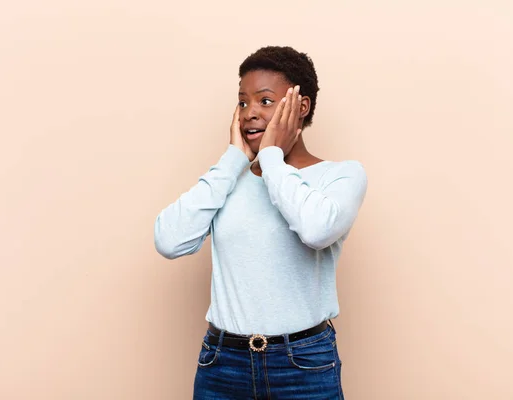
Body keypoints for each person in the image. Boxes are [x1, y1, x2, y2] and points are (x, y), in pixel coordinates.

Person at [154, 46, 367, 399]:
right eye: (242, 102)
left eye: (265, 101)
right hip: (222, 364)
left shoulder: (341, 176)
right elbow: (169, 240)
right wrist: (232, 159)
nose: (249, 113)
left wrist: (270, 157)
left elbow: (316, 231)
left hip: (304, 366)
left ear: (301, 106)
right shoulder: (228, 181)